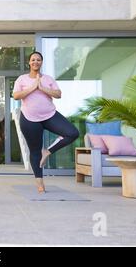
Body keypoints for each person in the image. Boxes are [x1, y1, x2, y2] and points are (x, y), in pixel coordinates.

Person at [13, 51, 79, 193]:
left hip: (50, 115)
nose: (35, 62)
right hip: (29, 118)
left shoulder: (48, 79)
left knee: (72, 133)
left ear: (41, 62)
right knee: (34, 151)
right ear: (29, 63)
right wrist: (33, 87)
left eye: (38, 59)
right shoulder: (22, 79)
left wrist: (42, 87)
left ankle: (47, 151)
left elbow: (58, 94)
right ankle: (40, 183)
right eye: (33, 60)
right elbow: (16, 96)